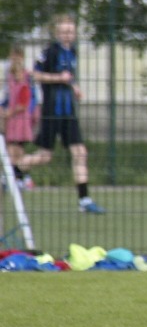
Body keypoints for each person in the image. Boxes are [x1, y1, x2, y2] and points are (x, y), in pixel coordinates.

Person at [32, 15, 105, 214]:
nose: (67, 35)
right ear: (57, 33)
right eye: (64, 32)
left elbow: (67, 77)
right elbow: (35, 74)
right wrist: (58, 78)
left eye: (71, 31)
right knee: (45, 157)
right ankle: (13, 172)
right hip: (51, 111)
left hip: (68, 112)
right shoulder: (50, 52)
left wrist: (74, 87)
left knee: (80, 152)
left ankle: (85, 200)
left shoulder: (72, 51)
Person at [3, 46, 47, 189]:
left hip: (22, 118)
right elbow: (8, 97)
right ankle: (16, 177)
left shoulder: (28, 77)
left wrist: (31, 114)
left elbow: (28, 100)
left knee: (17, 147)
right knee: (12, 148)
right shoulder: (9, 77)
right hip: (12, 118)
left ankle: (19, 177)